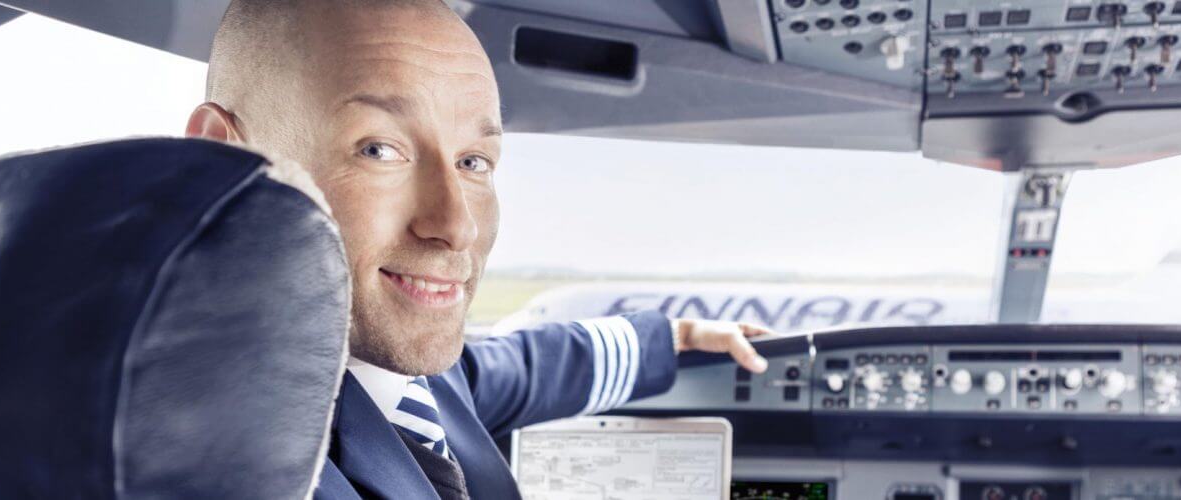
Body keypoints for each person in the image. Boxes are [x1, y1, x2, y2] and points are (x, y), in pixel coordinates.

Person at [183, 1, 773, 498]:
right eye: (379, 150)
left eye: (472, 162)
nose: (457, 226)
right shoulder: (219, 459)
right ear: (225, 158)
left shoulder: (398, 373)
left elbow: (515, 370)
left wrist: (675, 339)